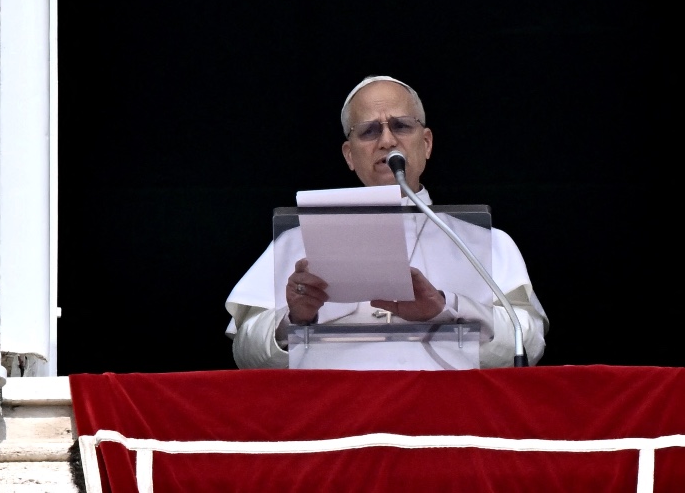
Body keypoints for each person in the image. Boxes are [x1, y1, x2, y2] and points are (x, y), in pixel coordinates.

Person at [225, 76, 548, 368]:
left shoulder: (486, 241)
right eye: (369, 131)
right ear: (350, 155)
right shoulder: (294, 243)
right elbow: (247, 355)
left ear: (427, 142)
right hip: (335, 421)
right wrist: (295, 318)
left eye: (402, 126)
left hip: (446, 419)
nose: (387, 140)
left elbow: (527, 345)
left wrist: (445, 309)